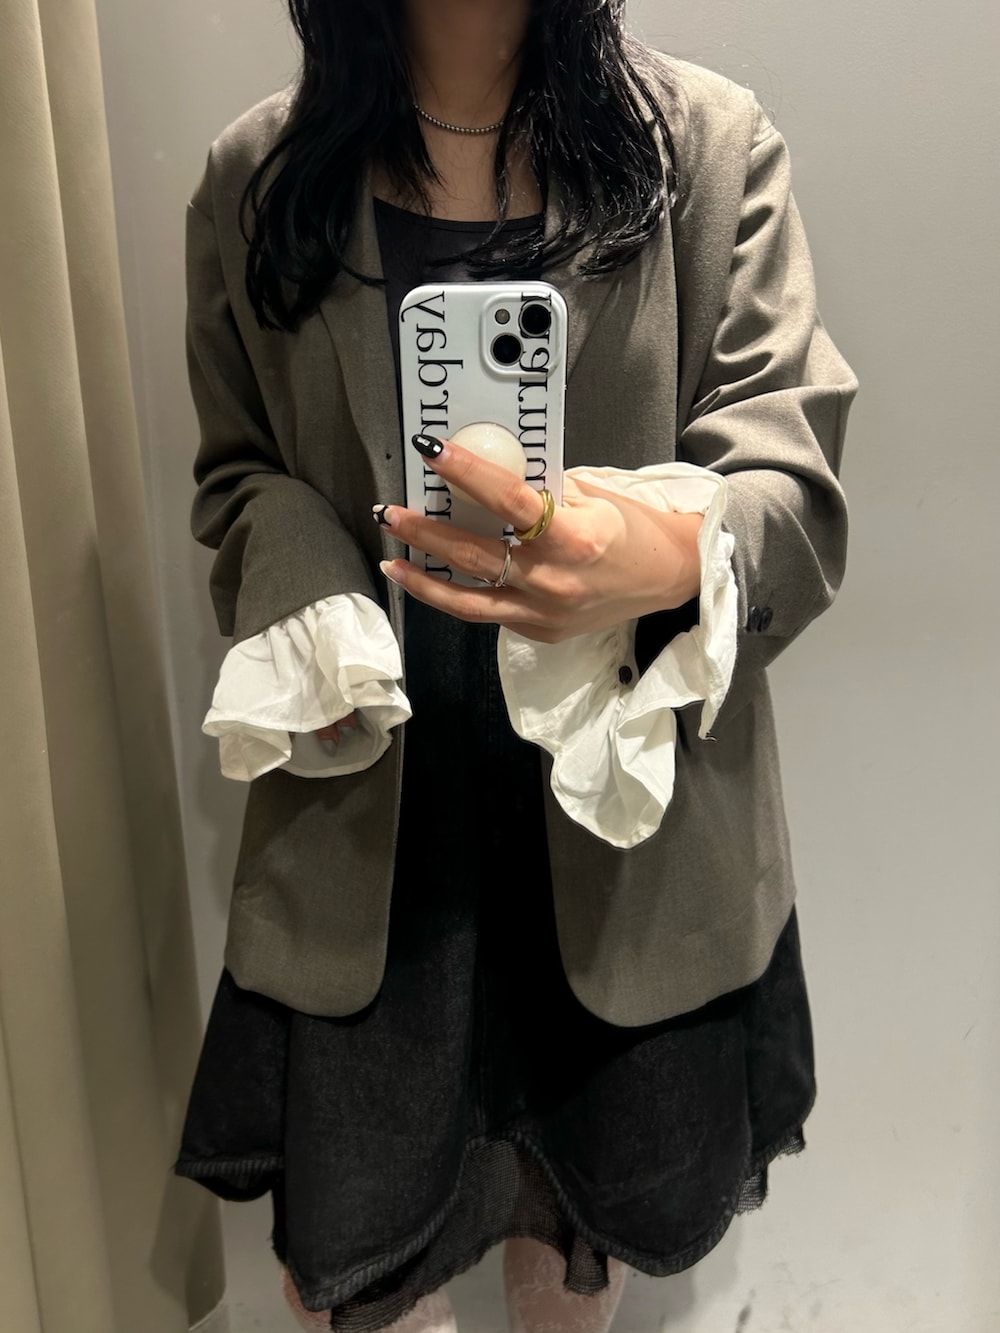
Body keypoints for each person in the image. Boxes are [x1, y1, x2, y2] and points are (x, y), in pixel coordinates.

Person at [173, 1, 856, 1330]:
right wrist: (311, 587)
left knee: (575, 1240)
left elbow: (797, 482)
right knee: (362, 1257)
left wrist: (657, 552)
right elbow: (234, 476)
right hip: (373, 833)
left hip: (628, 833)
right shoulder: (258, 176)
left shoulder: (709, 152)